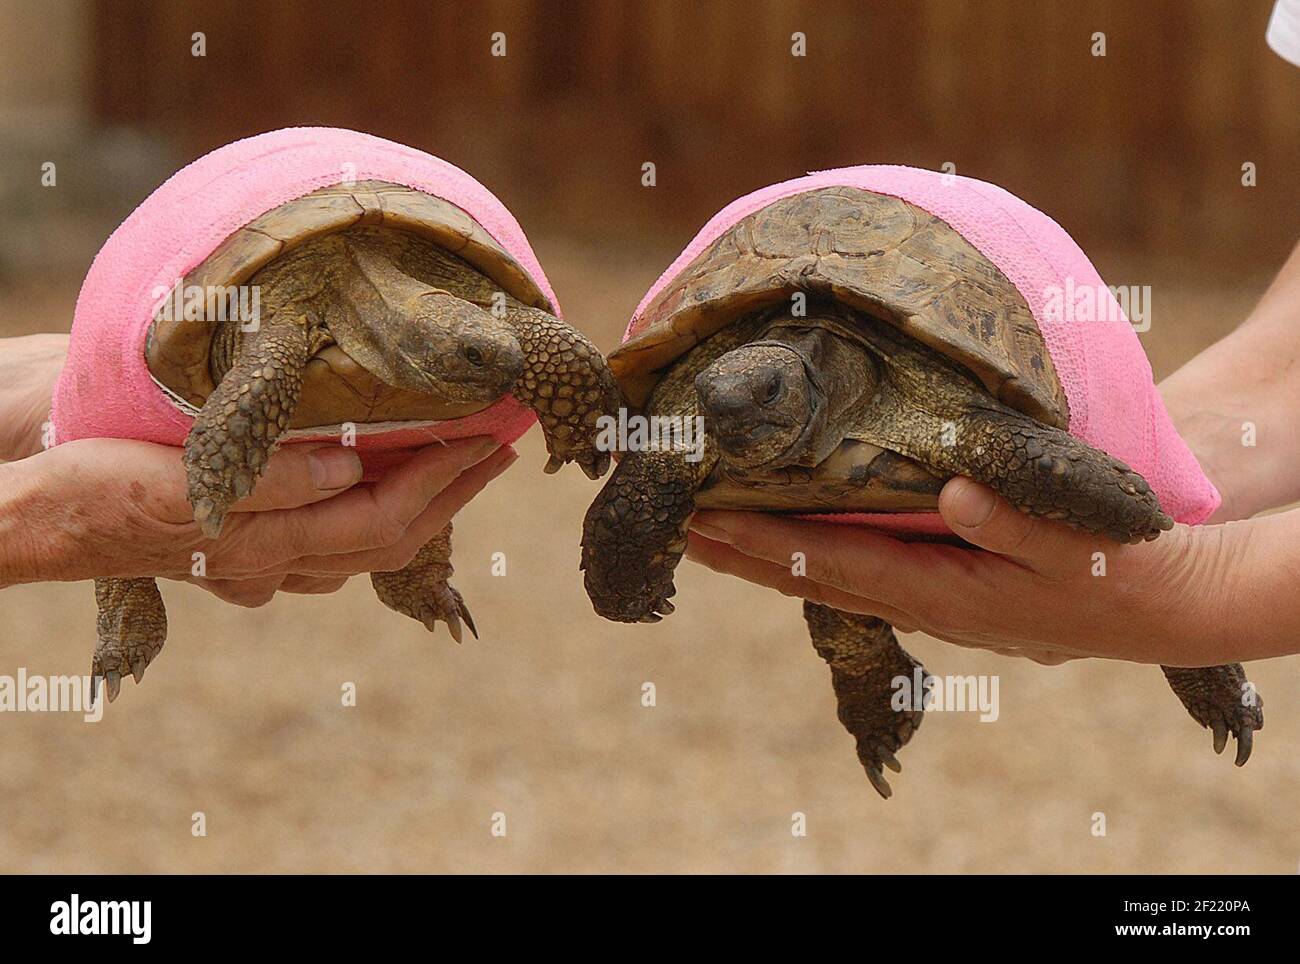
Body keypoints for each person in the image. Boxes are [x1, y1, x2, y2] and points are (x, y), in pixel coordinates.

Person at [687, 240, 1300, 667]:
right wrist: (1184, 457)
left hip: (947, 412)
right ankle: (871, 680)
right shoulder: (708, 411)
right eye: (713, 402)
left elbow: (1150, 559)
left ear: (807, 379)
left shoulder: (957, 420)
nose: (733, 417)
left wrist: (1203, 592)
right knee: (842, 593)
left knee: (1056, 486)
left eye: (767, 396)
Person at [0, 332, 516, 605]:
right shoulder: (273, 341)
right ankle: (124, 600)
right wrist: (34, 521)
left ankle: (416, 572)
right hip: (268, 333)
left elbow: (530, 337)